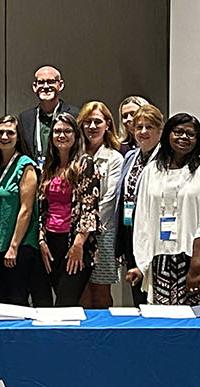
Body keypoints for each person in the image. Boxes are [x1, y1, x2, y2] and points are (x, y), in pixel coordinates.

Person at [130, 113, 200, 305]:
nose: (184, 137)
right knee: (165, 327)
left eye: (190, 134)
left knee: (197, 326)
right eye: (178, 132)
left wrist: (196, 269)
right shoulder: (151, 171)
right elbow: (142, 220)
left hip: (195, 260)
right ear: (167, 135)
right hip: (160, 262)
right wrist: (142, 264)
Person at [37, 112, 100, 307]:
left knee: (65, 303)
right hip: (50, 243)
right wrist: (41, 239)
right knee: (56, 301)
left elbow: (90, 208)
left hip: (75, 243)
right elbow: (41, 207)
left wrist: (78, 245)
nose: (61, 136)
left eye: (67, 131)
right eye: (57, 131)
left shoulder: (85, 163)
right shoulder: (48, 166)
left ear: (76, 135)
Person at [0, 115, 46, 306]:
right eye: (0, 132)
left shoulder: (26, 165)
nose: (4, 136)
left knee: (16, 305)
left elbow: (26, 210)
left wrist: (13, 247)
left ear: (18, 137)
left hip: (18, 248)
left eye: (10, 133)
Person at [117, 104, 165, 305]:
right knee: (137, 296)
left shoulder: (165, 158)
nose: (143, 132)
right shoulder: (131, 156)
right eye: (139, 127)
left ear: (160, 130)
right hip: (130, 232)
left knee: (155, 294)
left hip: (154, 235)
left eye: (149, 127)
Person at [78, 102, 124, 308]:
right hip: (76, 235)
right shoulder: (75, 155)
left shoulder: (114, 157)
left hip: (102, 233)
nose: (92, 126)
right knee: (80, 289)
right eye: (88, 122)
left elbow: (109, 199)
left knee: (101, 292)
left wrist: (89, 228)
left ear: (107, 125)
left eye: (98, 121)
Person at [18, 66, 81, 165]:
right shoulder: (25, 119)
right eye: (41, 82)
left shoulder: (75, 115)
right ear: (34, 87)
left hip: (64, 174)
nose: (46, 86)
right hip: (34, 176)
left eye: (51, 82)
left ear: (60, 85)